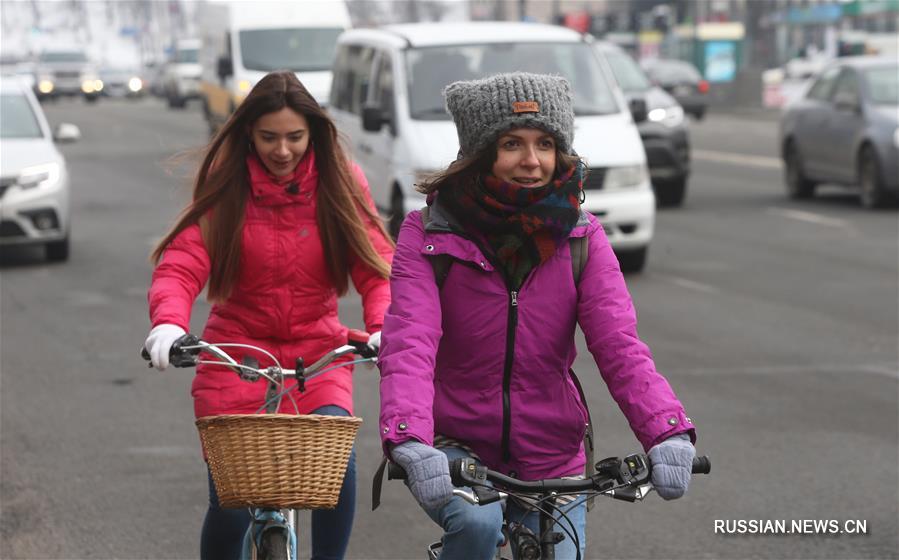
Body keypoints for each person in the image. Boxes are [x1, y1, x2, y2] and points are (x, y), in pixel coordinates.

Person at [377, 72, 697, 559]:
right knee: (477, 525)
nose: (532, 161)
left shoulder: (582, 237)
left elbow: (619, 345)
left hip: (553, 448)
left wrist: (666, 430)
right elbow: (410, 343)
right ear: (482, 152)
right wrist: (410, 440)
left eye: (545, 144)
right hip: (455, 443)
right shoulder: (428, 234)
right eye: (512, 143)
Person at [143, 71, 394, 560]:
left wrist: (387, 329)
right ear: (248, 135)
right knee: (231, 501)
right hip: (235, 354)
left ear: (313, 133)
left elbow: (375, 266)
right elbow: (182, 263)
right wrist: (168, 323)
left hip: (318, 356)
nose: (283, 150)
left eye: (295, 137)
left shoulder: (340, 180)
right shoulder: (227, 181)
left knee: (336, 471)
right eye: (269, 137)